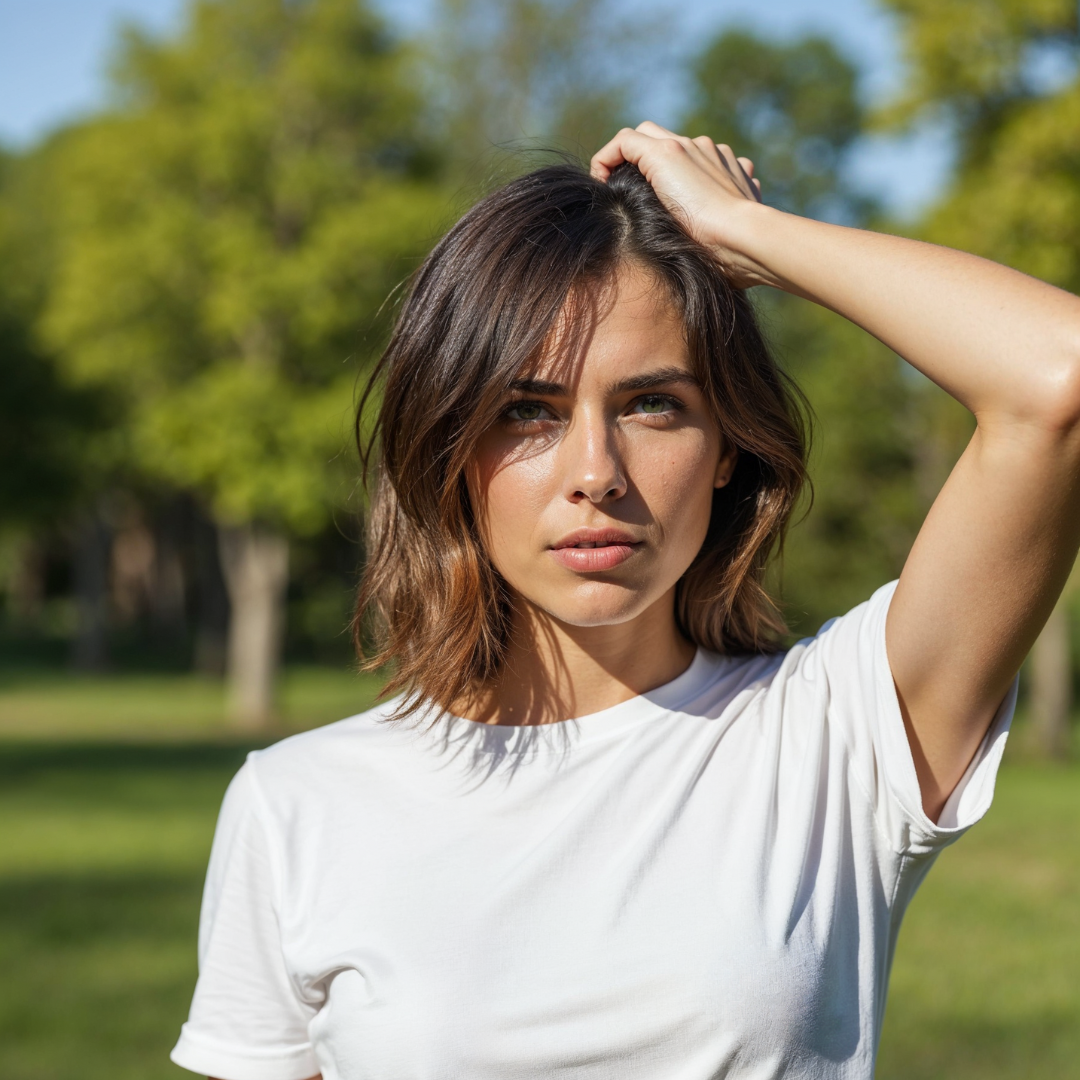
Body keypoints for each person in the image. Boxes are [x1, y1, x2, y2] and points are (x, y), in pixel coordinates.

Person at [170, 123, 1080, 1080]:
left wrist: (744, 235)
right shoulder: (298, 803)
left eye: (654, 405)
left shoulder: (840, 734)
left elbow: (1055, 379)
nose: (595, 473)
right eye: (529, 411)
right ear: (451, 450)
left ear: (728, 445)